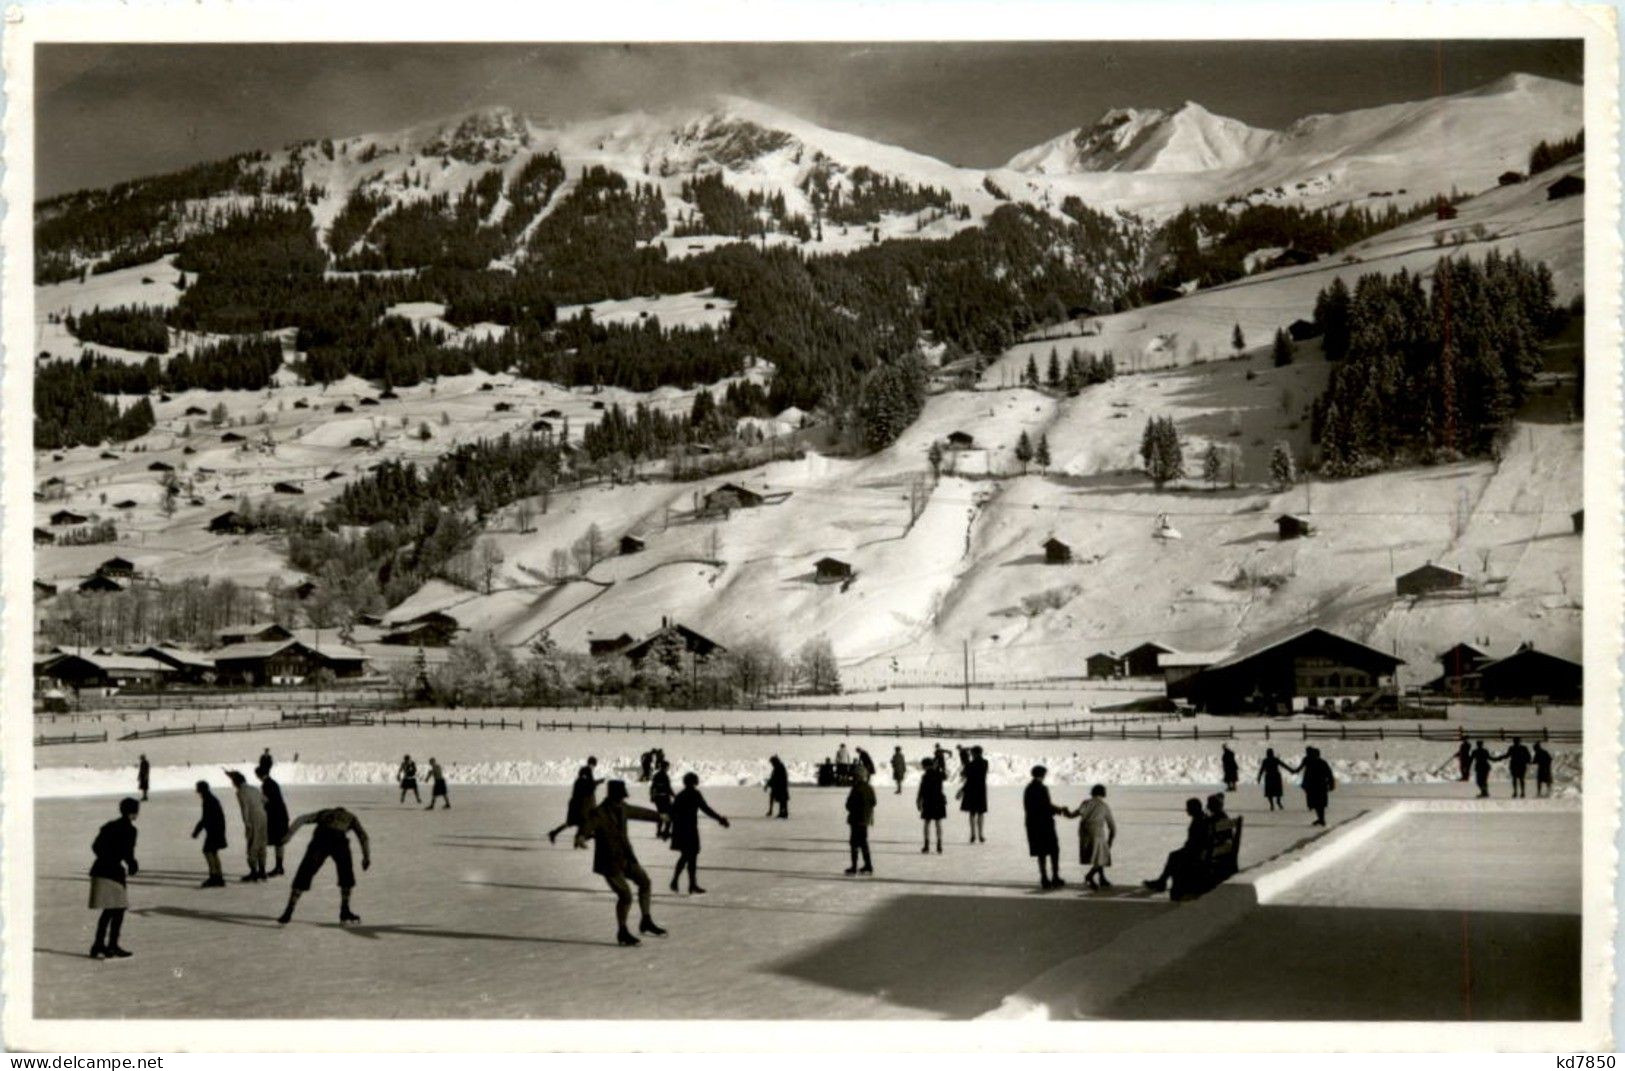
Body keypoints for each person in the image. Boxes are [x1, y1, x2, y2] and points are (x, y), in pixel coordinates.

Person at [575, 781, 667, 946]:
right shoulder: (599, 813)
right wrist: (581, 837)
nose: (621, 800)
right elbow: (587, 825)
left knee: (645, 882)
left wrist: (658, 816)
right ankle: (622, 932)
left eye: (622, 797)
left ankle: (646, 921)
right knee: (625, 895)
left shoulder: (623, 807)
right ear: (612, 796)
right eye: (619, 797)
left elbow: (639, 812)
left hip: (626, 857)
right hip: (609, 863)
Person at [276, 806, 370, 926]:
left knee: (305, 872)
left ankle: (289, 910)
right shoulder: (351, 817)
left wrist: (288, 835)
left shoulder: (324, 813)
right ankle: (344, 910)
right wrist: (366, 857)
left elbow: (302, 819)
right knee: (346, 874)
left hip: (321, 838)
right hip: (339, 840)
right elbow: (363, 837)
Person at [88, 798, 140, 958]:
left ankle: (99, 945)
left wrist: (105, 857)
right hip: (112, 872)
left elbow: (95, 846)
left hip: (99, 869)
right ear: (133, 813)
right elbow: (127, 851)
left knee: (110, 910)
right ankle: (111, 945)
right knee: (117, 909)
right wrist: (132, 864)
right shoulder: (130, 830)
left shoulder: (110, 826)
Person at [668, 772, 730, 894]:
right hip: (690, 829)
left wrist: (667, 830)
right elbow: (705, 809)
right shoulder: (694, 794)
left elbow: (672, 813)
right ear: (694, 782)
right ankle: (685, 883)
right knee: (690, 856)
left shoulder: (680, 795)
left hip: (680, 829)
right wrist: (720, 819)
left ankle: (686, 883)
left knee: (687, 856)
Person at [1143, 798, 1209, 894]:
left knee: (1174, 856)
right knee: (1174, 855)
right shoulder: (1202, 818)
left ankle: (1162, 882)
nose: (1186, 810)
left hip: (1196, 853)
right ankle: (1162, 881)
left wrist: (1186, 848)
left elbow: (1193, 842)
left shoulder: (1198, 821)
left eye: (1188, 808)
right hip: (1200, 851)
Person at [1023, 765, 1066, 890]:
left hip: (1033, 824)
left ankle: (1044, 878)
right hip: (1045, 824)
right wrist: (1060, 810)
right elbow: (1046, 806)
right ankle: (1055, 877)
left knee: (1041, 853)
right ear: (1042, 775)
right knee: (1054, 850)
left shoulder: (1028, 789)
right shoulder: (1042, 788)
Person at [1069, 784, 1116, 890]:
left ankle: (1102, 878)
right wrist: (1110, 841)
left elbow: (1073, 815)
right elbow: (1112, 827)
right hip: (1097, 833)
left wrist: (1064, 811)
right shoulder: (1104, 806)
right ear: (1103, 793)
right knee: (1102, 857)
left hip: (1084, 833)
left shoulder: (1086, 803)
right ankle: (1089, 876)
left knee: (1098, 856)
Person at [224, 770, 268, 881]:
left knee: (252, 844)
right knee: (262, 844)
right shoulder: (254, 788)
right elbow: (265, 800)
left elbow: (245, 808)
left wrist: (246, 822)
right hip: (263, 817)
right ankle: (262, 871)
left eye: (232, 781)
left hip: (253, 819)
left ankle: (254, 872)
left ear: (236, 782)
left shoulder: (240, 792)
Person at [550, 758, 602, 845]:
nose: (593, 768)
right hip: (581, 805)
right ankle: (579, 839)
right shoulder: (585, 776)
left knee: (573, 823)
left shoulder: (581, 778)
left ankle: (556, 833)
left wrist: (596, 783)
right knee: (583, 822)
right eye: (593, 765)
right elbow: (589, 788)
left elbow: (589, 786)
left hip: (579, 804)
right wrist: (597, 783)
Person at [192, 780, 227, 887]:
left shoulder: (208, 800)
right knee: (213, 852)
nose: (197, 791)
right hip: (217, 829)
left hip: (214, 830)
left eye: (197, 788)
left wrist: (196, 831)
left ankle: (214, 876)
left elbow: (205, 818)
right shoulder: (211, 798)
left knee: (208, 851)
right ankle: (219, 876)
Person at [256, 765, 290, 878]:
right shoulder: (271, 783)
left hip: (276, 817)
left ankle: (277, 867)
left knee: (274, 841)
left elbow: (269, 801)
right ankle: (279, 866)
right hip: (280, 815)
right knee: (279, 842)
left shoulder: (267, 784)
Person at [844, 767, 876, 875]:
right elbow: (874, 802)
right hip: (866, 819)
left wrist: (853, 809)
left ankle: (854, 867)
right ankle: (868, 865)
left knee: (854, 843)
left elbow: (848, 804)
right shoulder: (869, 788)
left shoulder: (856, 788)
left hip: (855, 819)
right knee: (863, 842)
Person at [1295, 748, 1335, 826]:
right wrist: (1331, 784)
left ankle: (1321, 819)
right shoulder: (1320, 762)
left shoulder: (1311, 762)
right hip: (1319, 786)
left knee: (1318, 803)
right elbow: (1329, 774)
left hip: (1315, 786)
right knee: (1319, 804)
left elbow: (1328, 774)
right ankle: (1321, 819)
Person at [958, 745, 988, 844]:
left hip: (971, 790)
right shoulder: (985, 763)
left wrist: (962, 790)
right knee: (980, 813)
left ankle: (973, 834)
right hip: (981, 790)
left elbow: (965, 775)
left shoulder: (970, 764)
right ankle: (981, 835)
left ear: (974, 754)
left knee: (972, 813)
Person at [916, 758, 947, 854]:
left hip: (928, 801)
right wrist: (938, 767)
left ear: (925, 766)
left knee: (927, 823)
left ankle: (926, 845)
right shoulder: (939, 774)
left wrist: (918, 800)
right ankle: (939, 844)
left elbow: (922, 790)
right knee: (938, 823)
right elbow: (945, 776)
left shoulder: (925, 776)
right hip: (939, 800)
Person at [650, 758, 675, 840]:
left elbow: (652, 787)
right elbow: (668, 788)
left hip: (658, 798)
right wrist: (674, 796)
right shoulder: (664, 776)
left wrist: (652, 796)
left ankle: (660, 832)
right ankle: (665, 832)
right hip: (664, 798)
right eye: (668, 767)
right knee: (669, 815)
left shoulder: (656, 775)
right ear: (665, 767)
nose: (668, 768)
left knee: (661, 815)